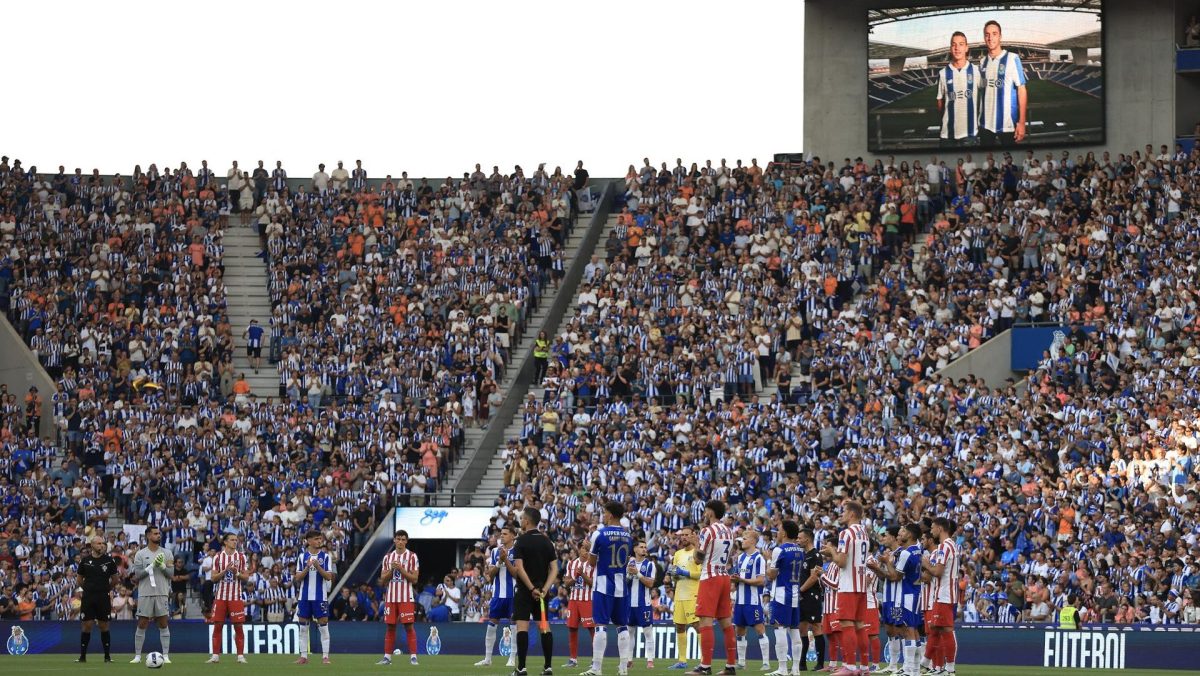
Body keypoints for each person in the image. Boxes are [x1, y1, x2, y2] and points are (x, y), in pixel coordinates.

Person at [581, 501, 634, 676]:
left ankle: (596, 668)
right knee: (622, 625)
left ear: (610, 514)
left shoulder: (599, 534)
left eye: (604, 512)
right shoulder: (628, 536)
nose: (603, 515)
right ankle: (623, 668)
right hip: (621, 585)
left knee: (601, 624)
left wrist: (589, 550)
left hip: (603, 585)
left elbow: (592, 562)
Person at [821, 500, 869, 676]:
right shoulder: (864, 533)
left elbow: (841, 562)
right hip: (861, 585)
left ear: (852, 515)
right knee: (859, 625)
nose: (841, 515)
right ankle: (864, 667)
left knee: (847, 624)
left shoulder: (846, 533)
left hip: (848, 584)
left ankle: (849, 666)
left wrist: (831, 553)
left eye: (844, 512)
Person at [510, 506, 559, 676]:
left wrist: (530, 588)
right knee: (544, 627)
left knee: (522, 627)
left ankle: (522, 668)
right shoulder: (547, 541)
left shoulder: (521, 541)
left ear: (527, 521)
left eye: (522, 518)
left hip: (525, 591)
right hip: (542, 592)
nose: (521, 520)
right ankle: (548, 667)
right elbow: (554, 569)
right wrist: (544, 588)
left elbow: (519, 568)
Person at [693, 499, 737, 676]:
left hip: (709, 577)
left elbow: (698, 558)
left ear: (710, 512)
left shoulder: (707, 531)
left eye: (705, 511)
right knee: (726, 622)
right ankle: (731, 666)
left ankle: (705, 667)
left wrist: (697, 542)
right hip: (724, 577)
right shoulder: (729, 531)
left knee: (705, 621)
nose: (704, 514)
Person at [875, 523, 924, 676]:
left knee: (907, 631)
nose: (899, 534)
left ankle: (909, 669)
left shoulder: (905, 553)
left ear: (909, 535)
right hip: (915, 593)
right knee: (913, 631)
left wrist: (887, 563)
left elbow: (896, 576)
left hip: (906, 595)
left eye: (902, 531)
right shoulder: (918, 549)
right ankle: (914, 670)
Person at [978, 20, 1028, 145]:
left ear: (1000, 36)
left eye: (994, 33)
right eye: (987, 34)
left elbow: (1022, 90)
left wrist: (1021, 123)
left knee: (1009, 159)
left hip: (1008, 125)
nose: (990, 38)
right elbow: (983, 91)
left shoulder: (1012, 58)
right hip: (985, 125)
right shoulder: (982, 62)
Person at [921, 518, 961, 675]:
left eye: (932, 528)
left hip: (943, 594)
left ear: (940, 528)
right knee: (935, 629)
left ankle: (949, 669)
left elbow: (937, 572)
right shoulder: (952, 545)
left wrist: (926, 564)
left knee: (945, 630)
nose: (931, 531)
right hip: (945, 593)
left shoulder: (945, 547)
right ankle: (925, 663)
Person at [130, 525, 174, 665]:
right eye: (155, 533)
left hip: (161, 592)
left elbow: (171, 574)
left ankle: (166, 655)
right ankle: (137, 656)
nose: (158, 536)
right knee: (142, 623)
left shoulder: (167, 553)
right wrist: (151, 566)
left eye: (159, 533)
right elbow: (137, 575)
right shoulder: (140, 554)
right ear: (148, 535)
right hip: (145, 593)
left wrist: (161, 566)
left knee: (163, 623)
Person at [476, 525, 518, 669]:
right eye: (501, 534)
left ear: (513, 536)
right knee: (491, 625)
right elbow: (490, 577)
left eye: (505, 534)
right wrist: (500, 561)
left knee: (514, 626)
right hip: (497, 594)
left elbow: (516, 574)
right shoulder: (494, 551)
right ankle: (487, 659)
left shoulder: (518, 551)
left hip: (513, 594)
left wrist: (505, 560)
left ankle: (512, 658)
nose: (502, 536)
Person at [730, 529, 771, 672]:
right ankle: (741, 662)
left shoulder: (758, 558)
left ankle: (766, 662)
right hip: (740, 600)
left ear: (753, 541)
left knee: (760, 629)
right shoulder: (740, 557)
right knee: (739, 630)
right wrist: (734, 580)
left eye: (745, 538)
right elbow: (737, 578)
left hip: (752, 601)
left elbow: (761, 581)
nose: (742, 541)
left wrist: (741, 579)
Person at [208, 533, 252, 663]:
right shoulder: (218, 557)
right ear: (225, 542)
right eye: (232, 540)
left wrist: (236, 573)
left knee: (238, 626)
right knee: (218, 626)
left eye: (236, 540)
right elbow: (213, 578)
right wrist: (225, 571)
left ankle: (240, 656)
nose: (235, 542)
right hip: (221, 596)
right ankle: (215, 656)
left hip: (235, 597)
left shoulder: (241, 557)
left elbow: (246, 577)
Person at [378, 530, 420, 666]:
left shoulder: (412, 557)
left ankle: (413, 657)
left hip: (406, 597)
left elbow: (414, 579)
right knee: (390, 627)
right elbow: (382, 580)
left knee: (409, 626)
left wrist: (401, 569)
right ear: (394, 540)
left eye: (403, 539)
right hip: (390, 598)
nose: (400, 542)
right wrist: (392, 570)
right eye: (398, 539)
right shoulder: (387, 558)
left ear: (406, 541)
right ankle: (387, 658)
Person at [766, 521, 803, 676]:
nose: (778, 532)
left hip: (781, 594)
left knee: (779, 629)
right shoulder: (800, 550)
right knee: (795, 631)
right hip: (795, 593)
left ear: (785, 533)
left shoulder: (778, 550)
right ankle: (795, 669)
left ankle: (782, 669)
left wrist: (768, 561)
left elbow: (772, 574)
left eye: (780, 529)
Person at [295, 529, 335, 665]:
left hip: (320, 597)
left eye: (320, 539)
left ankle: (325, 657)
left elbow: (329, 577)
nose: (320, 541)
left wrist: (318, 566)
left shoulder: (326, 557)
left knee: (323, 627)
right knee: (303, 628)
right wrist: (307, 568)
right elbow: (297, 578)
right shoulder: (302, 557)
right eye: (317, 539)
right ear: (309, 541)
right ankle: (303, 656)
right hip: (304, 597)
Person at [77, 535, 119, 663]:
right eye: (99, 543)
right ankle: (82, 656)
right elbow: (79, 580)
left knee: (104, 625)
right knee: (87, 625)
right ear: (92, 545)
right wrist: (89, 589)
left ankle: (107, 656)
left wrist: (106, 589)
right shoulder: (84, 561)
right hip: (88, 597)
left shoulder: (109, 561)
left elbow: (115, 579)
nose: (101, 546)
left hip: (103, 596)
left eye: (103, 543)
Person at [936, 31, 982, 147]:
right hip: (947, 136)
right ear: (951, 48)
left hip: (970, 134)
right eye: (954, 44)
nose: (957, 48)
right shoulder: (943, 74)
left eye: (961, 44)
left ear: (966, 48)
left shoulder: (976, 71)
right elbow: (940, 102)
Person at [669, 528, 702, 670]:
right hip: (679, 595)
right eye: (681, 535)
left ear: (693, 536)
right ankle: (682, 661)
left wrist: (685, 572)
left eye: (686, 535)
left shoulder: (698, 553)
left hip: (692, 594)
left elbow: (700, 573)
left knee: (697, 626)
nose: (683, 538)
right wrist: (674, 575)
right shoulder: (677, 554)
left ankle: (704, 660)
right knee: (679, 626)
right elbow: (674, 575)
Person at [796, 528, 826, 672]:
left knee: (815, 627)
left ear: (807, 539)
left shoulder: (816, 555)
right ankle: (802, 662)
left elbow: (814, 577)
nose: (797, 540)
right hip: (802, 596)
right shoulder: (803, 555)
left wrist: (800, 590)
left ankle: (820, 663)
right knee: (801, 628)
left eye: (799, 538)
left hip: (811, 595)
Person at [626, 540, 658, 671]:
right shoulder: (628, 564)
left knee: (648, 632)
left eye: (645, 547)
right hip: (629, 604)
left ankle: (650, 660)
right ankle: (629, 660)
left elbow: (650, 584)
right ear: (635, 549)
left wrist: (637, 573)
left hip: (643, 604)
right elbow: (624, 582)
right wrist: (628, 574)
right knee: (629, 632)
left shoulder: (650, 564)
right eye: (641, 547)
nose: (644, 549)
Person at [563, 543, 596, 668]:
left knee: (591, 628)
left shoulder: (593, 564)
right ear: (579, 549)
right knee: (572, 628)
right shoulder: (571, 563)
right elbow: (566, 583)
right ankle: (573, 660)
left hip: (587, 600)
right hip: (573, 600)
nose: (586, 551)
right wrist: (576, 577)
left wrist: (582, 574)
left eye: (588, 549)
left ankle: (595, 660)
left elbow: (593, 583)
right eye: (584, 549)